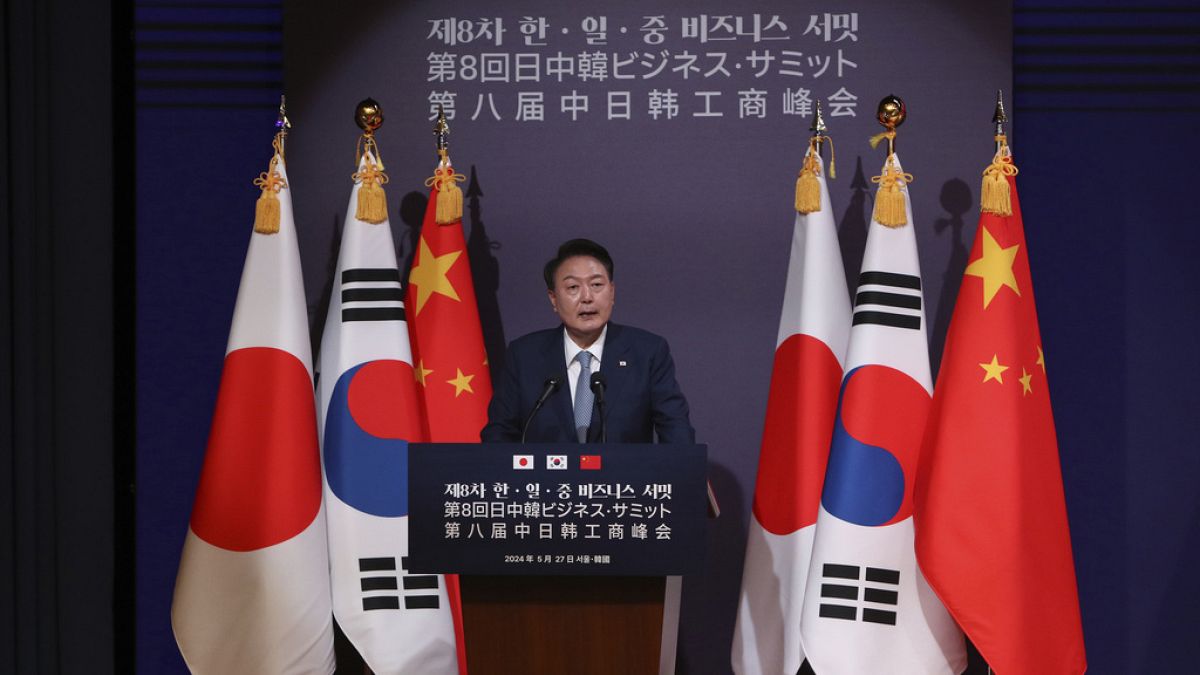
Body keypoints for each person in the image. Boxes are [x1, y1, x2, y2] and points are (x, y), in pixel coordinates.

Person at [481, 238, 695, 444]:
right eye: (573, 287)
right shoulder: (524, 356)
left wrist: (683, 465)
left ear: (612, 292)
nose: (587, 297)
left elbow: (676, 430)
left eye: (596, 285)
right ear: (553, 299)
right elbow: (499, 433)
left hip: (623, 471)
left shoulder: (647, 352)